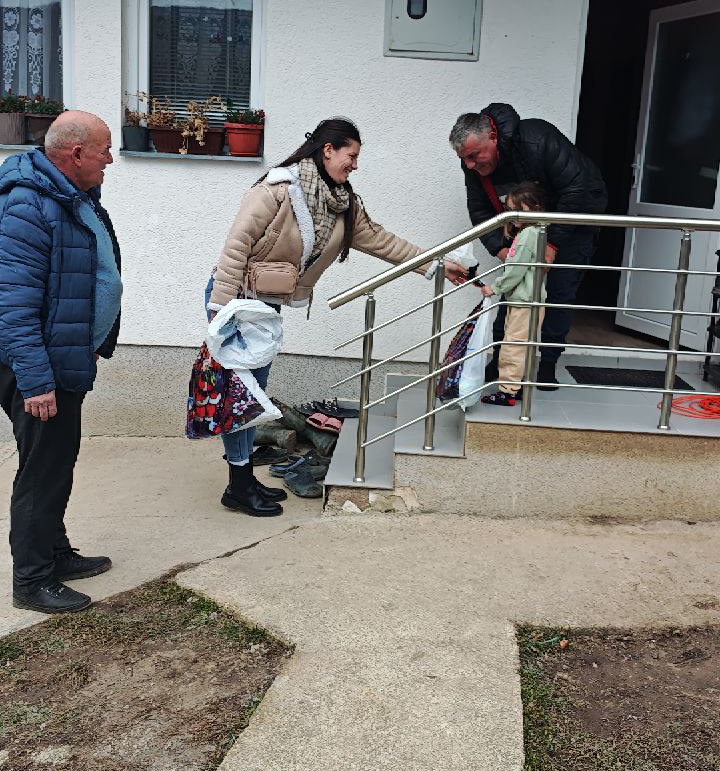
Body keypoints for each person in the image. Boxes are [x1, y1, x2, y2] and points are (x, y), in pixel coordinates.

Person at [207, 117, 466, 517]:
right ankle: (238, 485)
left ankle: (241, 480)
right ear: (328, 150)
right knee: (242, 395)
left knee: (251, 394)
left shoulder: (341, 204)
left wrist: (436, 264)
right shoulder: (278, 190)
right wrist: (221, 309)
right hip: (236, 300)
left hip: (264, 304)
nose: (355, 165)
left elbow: (383, 241)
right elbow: (235, 246)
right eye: (352, 155)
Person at [0, 112, 121, 615]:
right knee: (41, 471)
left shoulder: (72, 196)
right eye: (104, 149)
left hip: (62, 357)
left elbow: (83, 276)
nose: (110, 159)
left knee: (57, 462)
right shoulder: (28, 206)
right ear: (75, 154)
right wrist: (35, 382)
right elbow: (13, 304)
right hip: (36, 368)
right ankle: (31, 580)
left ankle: (54, 552)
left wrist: (90, 339)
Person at [449, 103, 607, 388]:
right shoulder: (471, 163)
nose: (470, 165)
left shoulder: (537, 138)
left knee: (558, 293)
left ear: (493, 137)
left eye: (474, 156)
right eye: (464, 159)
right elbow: (480, 211)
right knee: (513, 292)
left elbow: (578, 188)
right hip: (524, 226)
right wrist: (501, 249)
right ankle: (500, 362)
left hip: (574, 223)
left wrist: (552, 244)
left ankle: (547, 364)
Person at [479, 183, 547, 408]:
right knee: (524, 346)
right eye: (509, 209)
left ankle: (507, 392)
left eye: (518, 209)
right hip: (531, 300)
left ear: (535, 208)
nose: (513, 214)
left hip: (523, 302)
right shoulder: (539, 231)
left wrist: (495, 288)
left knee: (512, 346)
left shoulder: (527, 235)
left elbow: (516, 269)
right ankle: (517, 387)